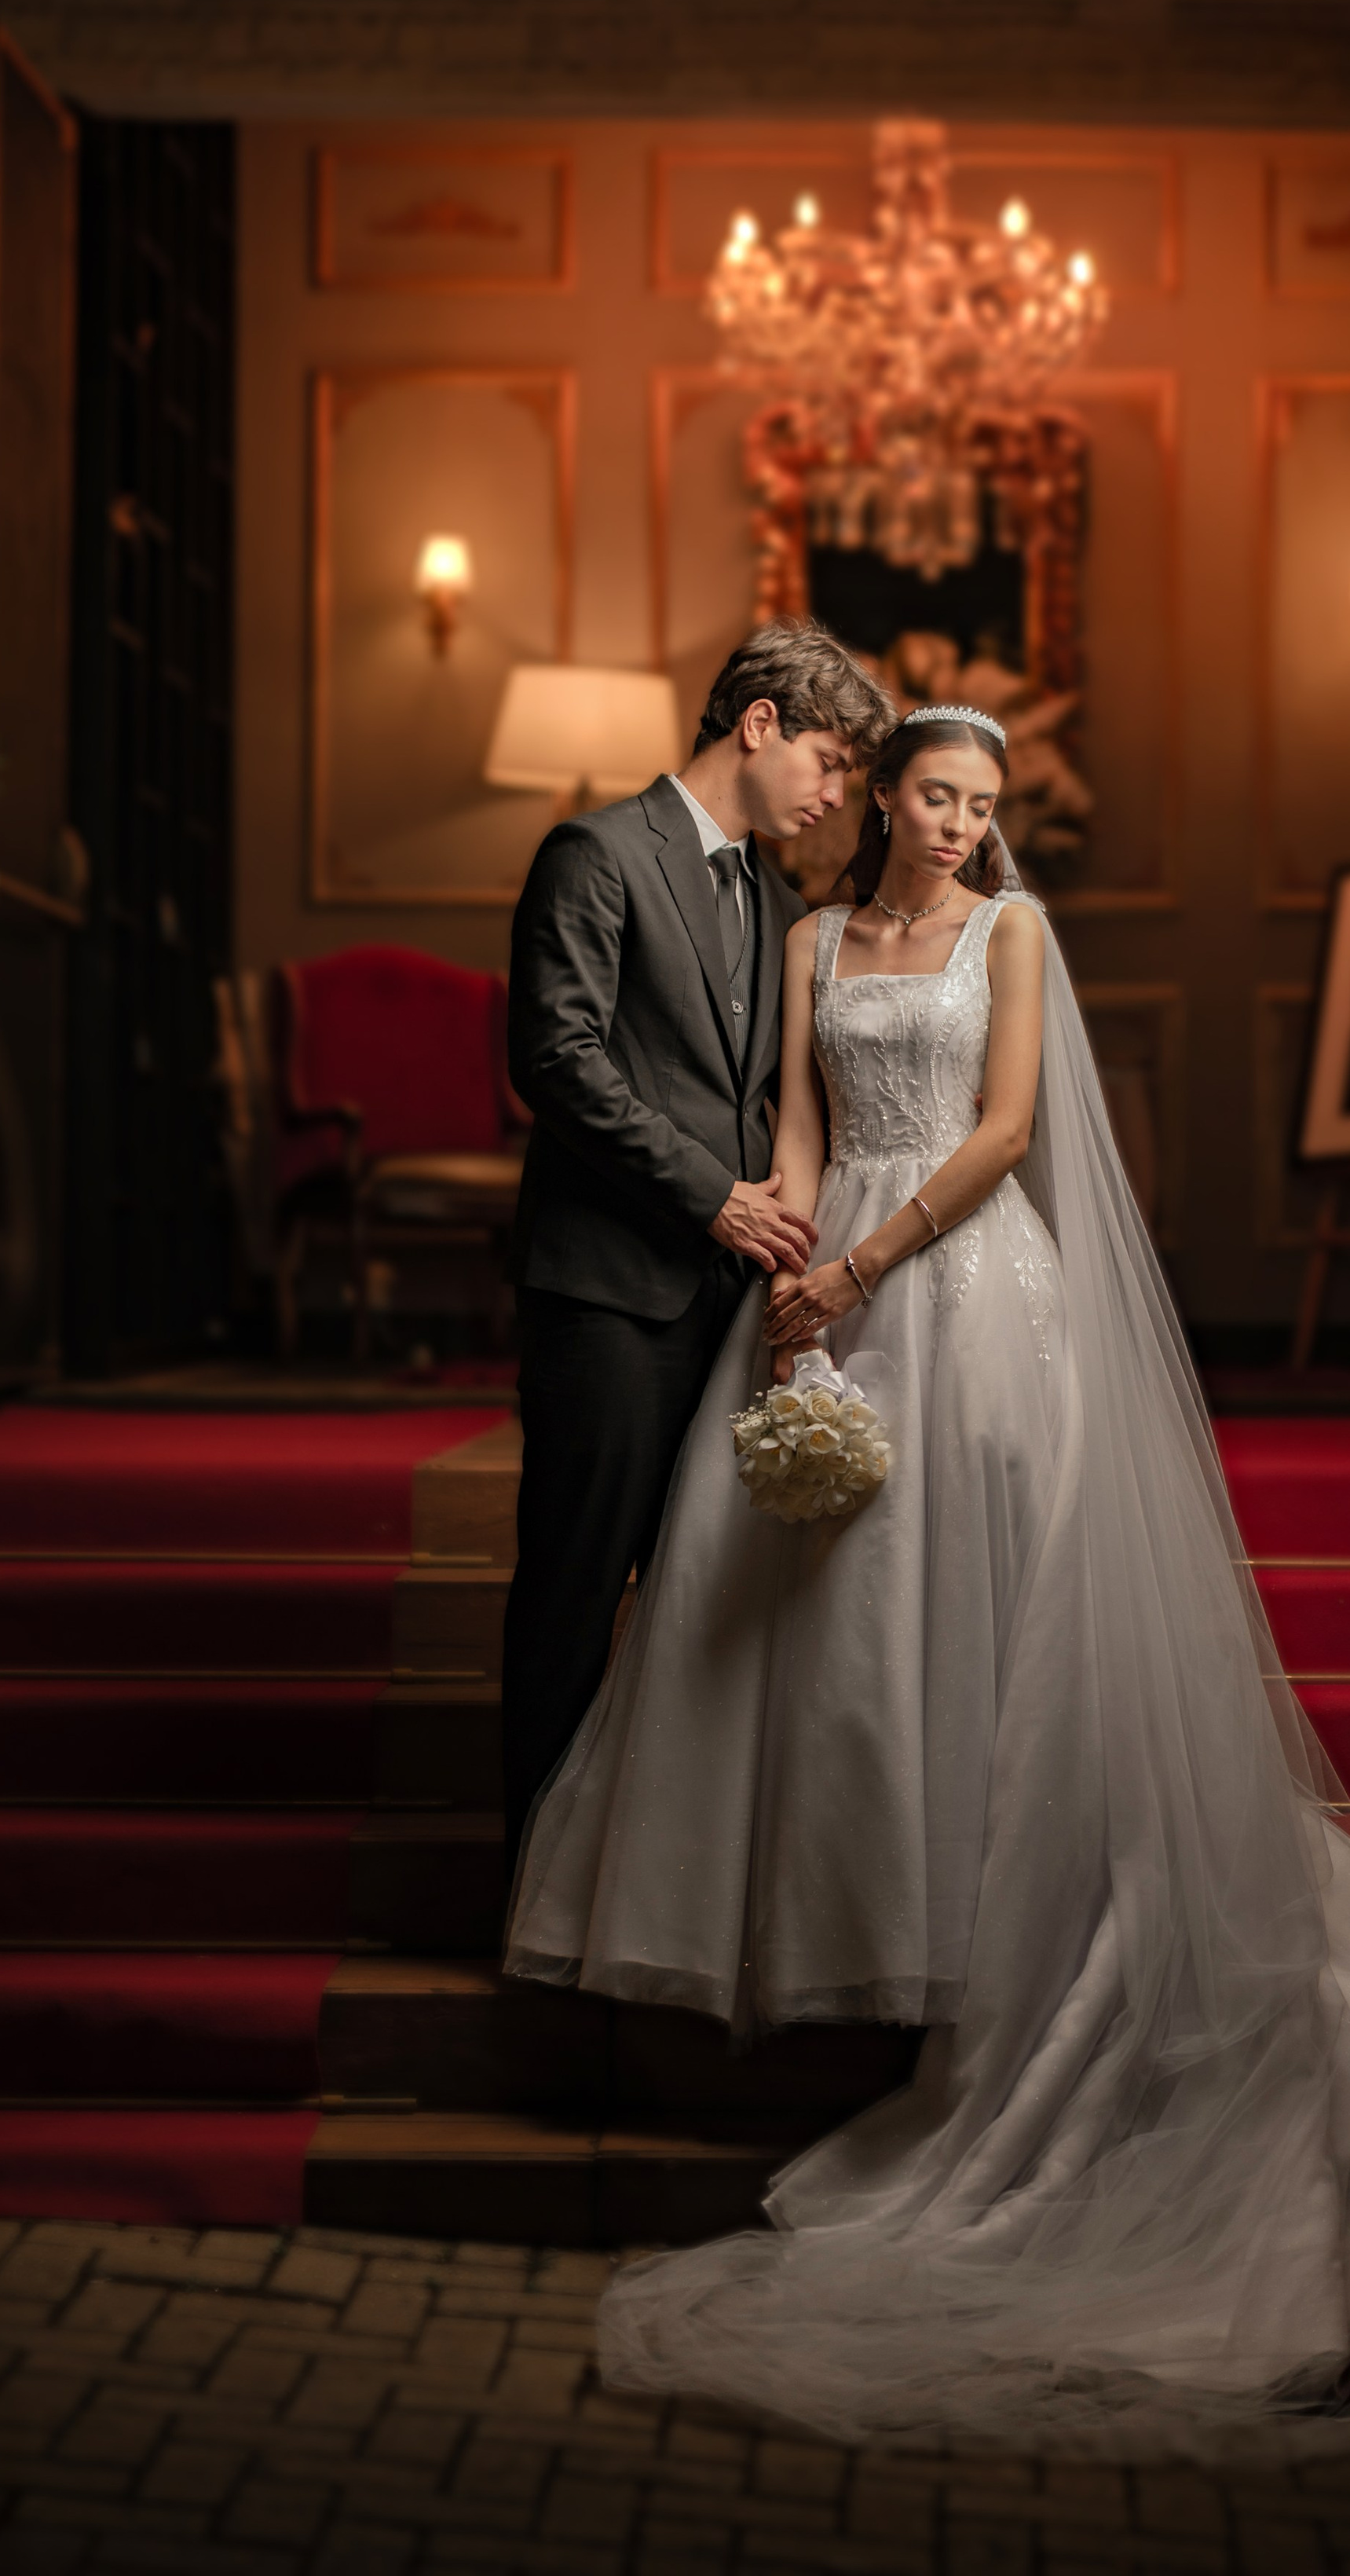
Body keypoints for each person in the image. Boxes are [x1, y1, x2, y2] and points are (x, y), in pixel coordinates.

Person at [506, 702, 1350, 2459]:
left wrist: (860, 1257)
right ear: (886, 800)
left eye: (981, 803)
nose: (954, 822)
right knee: (802, 1625)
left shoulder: (1016, 933)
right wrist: (785, 1260)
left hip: (957, 1283)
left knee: (970, 1612)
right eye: (932, 794)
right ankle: (829, 1928)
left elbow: (1003, 1134)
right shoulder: (805, 936)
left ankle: (988, 1944)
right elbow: (787, 1114)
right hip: (825, 1270)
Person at [501, 621, 895, 1865]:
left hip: (728, 1315)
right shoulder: (596, 854)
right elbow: (553, 1059)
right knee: (574, 1594)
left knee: (694, 1613)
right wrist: (708, 1197)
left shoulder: (781, 904)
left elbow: (782, 1100)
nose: (836, 796)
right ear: (760, 723)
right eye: (830, 762)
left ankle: (643, 1882)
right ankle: (528, 1881)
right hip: (609, 1298)